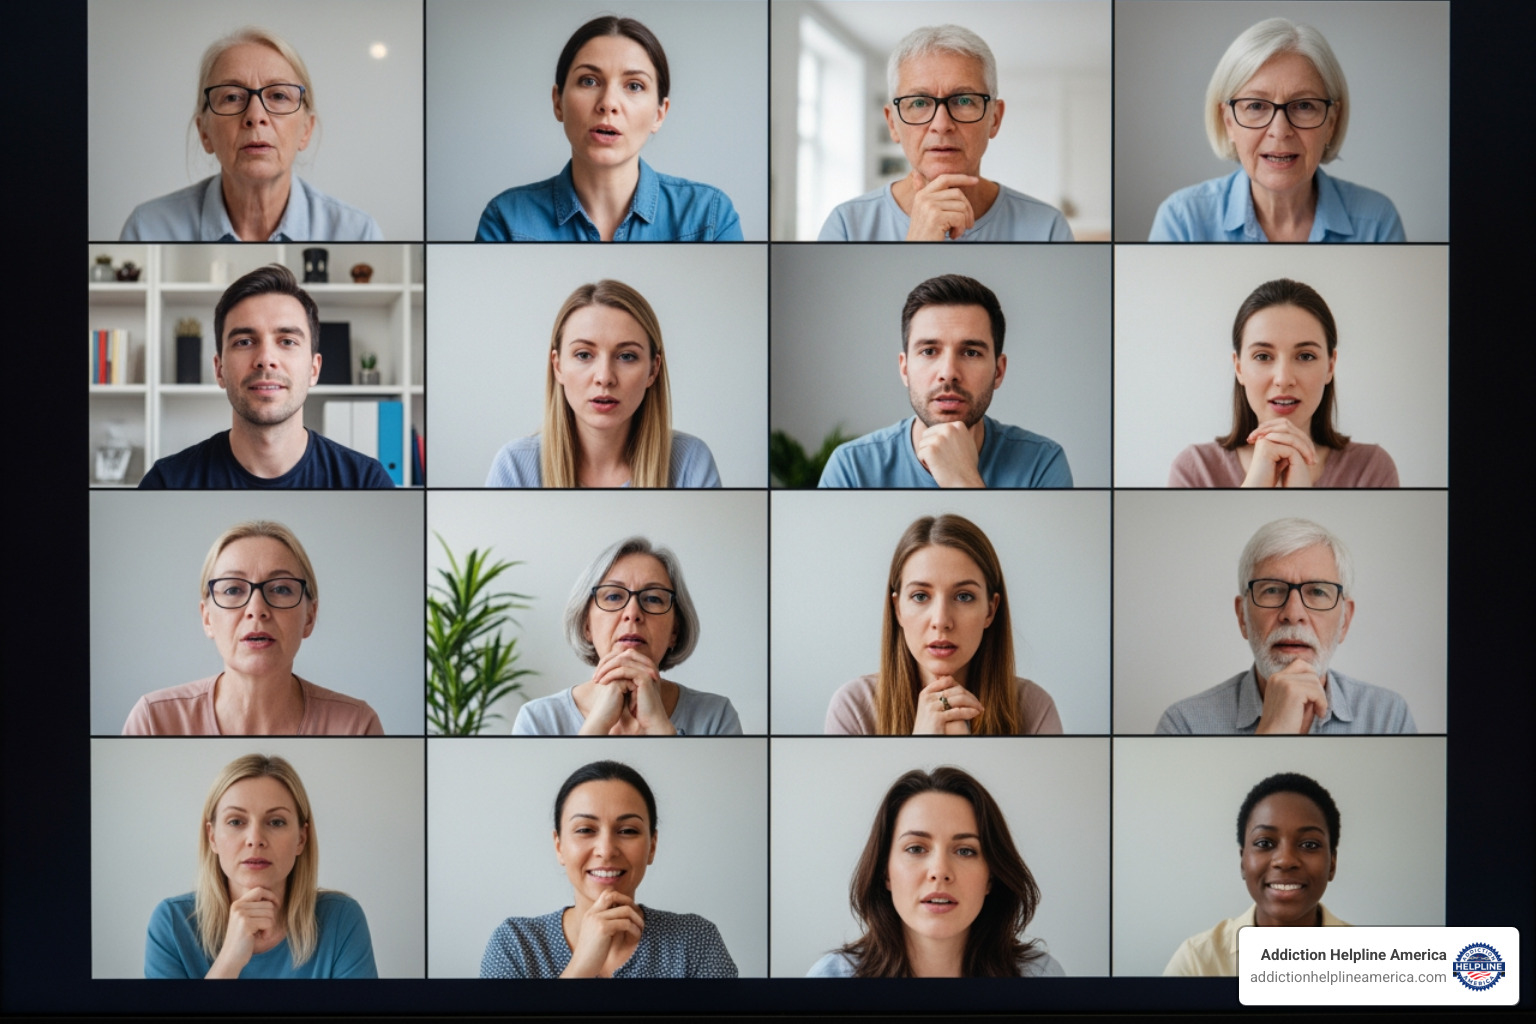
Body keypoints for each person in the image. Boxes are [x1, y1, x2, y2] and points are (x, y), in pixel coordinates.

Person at [476, 16, 741, 241]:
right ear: (558, 102)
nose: (608, 104)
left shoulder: (710, 217)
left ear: (659, 114)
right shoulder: (506, 220)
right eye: (589, 81)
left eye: (634, 85)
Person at [1150, 18, 1403, 243]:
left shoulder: (1377, 222)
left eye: (1304, 105)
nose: (1280, 131)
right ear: (1228, 122)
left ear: (1331, 122)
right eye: (1256, 105)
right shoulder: (1182, 221)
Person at [138, 265, 394, 488]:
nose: (266, 358)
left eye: (287, 341)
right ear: (219, 370)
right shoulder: (166, 482)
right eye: (245, 341)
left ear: (314, 369)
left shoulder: (366, 481)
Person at [1155, 517, 1415, 734]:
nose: (1293, 613)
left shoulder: (1389, 717)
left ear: (1345, 620)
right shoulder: (1184, 724)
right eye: (1272, 590)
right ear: (1242, 616)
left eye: (1317, 592)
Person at [122, 521, 383, 735]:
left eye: (280, 589)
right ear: (207, 618)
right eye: (233, 589)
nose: (256, 609)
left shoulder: (357, 726)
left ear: (309, 617)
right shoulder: (152, 721)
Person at [480, 760, 738, 977]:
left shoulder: (695, 941)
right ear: (559, 846)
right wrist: (581, 966)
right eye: (585, 830)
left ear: (652, 846)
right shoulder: (514, 944)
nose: (606, 849)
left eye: (627, 831)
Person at [121, 28, 381, 242]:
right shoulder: (147, 229)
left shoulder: (358, 233)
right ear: (204, 133)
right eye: (232, 97)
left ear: (306, 130)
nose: (255, 116)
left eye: (278, 96)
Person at [818, 25, 1071, 242]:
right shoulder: (846, 227)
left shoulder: (1048, 228)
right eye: (919, 103)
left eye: (963, 101)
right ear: (893, 124)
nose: (941, 124)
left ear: (994, 118)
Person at [818, 274, 1072, 488]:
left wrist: (963, 480)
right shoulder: (851, 468)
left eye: (971, 352)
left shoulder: (1042, 463)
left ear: (998, 371)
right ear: (904, 369)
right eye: (929, 351)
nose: (948, 372)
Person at [807, 766, 1064, 977]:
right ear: (885, 872)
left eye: (965, 851)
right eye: (916, 848)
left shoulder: (1041, 976)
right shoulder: (829, 980)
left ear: (991, 877)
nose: (940, 872)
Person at [145, 754, 377, 978]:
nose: (255, 839)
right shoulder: (172, 924)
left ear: (301, 839)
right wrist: (229, 961)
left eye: (276, 822)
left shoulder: (341, 920)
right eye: (236, 821)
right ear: (212, 837)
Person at [826, 515, 1061, 735]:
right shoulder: (853, 708)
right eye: (920, 596)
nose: (941, 621)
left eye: (964, 596)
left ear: (991, 609)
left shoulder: (1035, 709)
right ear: (897, 609)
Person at [485, 280, 720, 488]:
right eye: (584, 355)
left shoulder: (691, 461)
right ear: (558, 366)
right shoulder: (514, 466)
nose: (604, 377)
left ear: (653, 369)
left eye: (627, 356)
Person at [1168, 278, 1399, 487]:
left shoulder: (1371, 469)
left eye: (1305, 356)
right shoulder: (1194, 471)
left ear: (1330, 366)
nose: (1283, 379)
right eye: (1263, 356)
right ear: (1239, 367)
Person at [512, 537, 742, 735]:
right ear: (586, 626)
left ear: (675, 631)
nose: (632, 614)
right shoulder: (537, 720)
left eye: (653, 598)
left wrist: (659, 726)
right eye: (613, 596)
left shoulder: (716, 717)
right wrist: (596, 726)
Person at [1165, 772, 1349, 975]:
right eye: (1264, 843)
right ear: (1243, 862)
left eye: (1309, 844)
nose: (1285, 861)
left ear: (1332, 863)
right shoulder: (1196, 963)